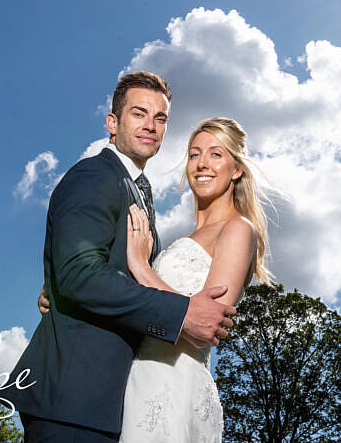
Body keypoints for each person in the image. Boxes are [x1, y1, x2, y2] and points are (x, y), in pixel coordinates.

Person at [8, 72, 236, 442]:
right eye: (138, 114)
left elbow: (89, 268)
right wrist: (181, 314)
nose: (150, 125)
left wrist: (58, 285)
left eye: (160, 118)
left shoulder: (138, 191)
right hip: (75, 399)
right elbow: (79, 274)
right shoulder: (95, 175)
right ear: (113, 123)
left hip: (116, 401)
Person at [118, 117, 272, 442]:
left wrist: (141, 267)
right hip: (139, 378)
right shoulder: (187, 235)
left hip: (177, 384)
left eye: (216, 154)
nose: (202, 163)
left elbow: (205, 328)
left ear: (237, 169)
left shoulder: (238, 229)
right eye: (194, 154)